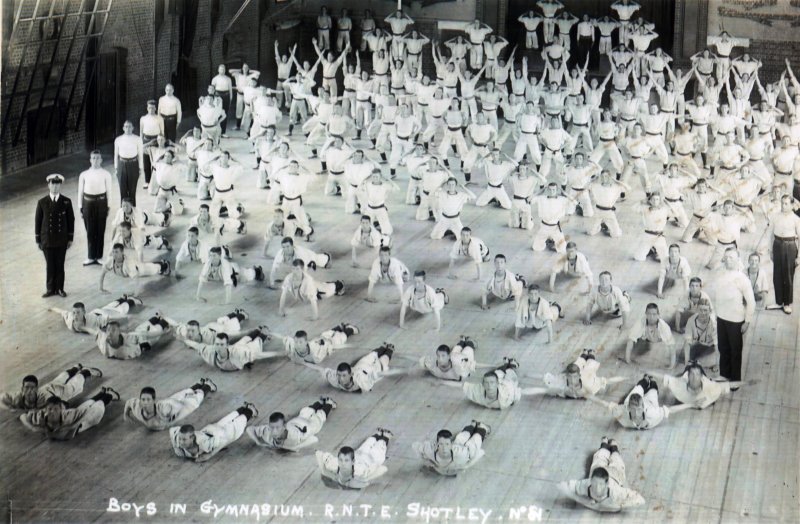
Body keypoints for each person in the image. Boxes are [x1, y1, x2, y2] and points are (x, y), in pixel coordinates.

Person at [558, 437, 645, 512]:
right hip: (599, 469)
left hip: (615, 475)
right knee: (599, 456)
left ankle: (614, 446)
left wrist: (618, 505)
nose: (597, 488)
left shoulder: (616, 491)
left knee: (616, 459)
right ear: (591, 481)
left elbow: (640, 500)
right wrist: (580, 499)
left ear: (607, 484)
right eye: (594, 484)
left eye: (600, 484)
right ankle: (604, 443)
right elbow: (563, 486)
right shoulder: (585, 485)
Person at [710, 247, 756, 381]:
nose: (728, 260)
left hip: (736, 321)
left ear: (738, 260)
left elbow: (751, 302)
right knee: (723, 348)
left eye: (731, 257)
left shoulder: (742, 279)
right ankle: (724, 375)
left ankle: (735, 379)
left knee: (735, 351)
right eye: (726, 257)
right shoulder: (719, 274)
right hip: (721, 318)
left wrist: (747, 322)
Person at [588, 374, 692, 429]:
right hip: (631, 400)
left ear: (642, 407)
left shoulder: (652, 412)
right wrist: (589, 396)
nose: (637, 412)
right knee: (638, 388)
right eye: (634, 410)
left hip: (650, 402)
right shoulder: (622, 410)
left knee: (653, 387)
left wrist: (690, 404)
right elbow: (604, 404)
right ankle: (645, 380)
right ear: (629, 408)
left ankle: (650, 381)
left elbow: (670, 410)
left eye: (639, 409)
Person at [19, 387, 121, 440]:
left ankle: (108, 395)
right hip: (77, 422)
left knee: (98, 406)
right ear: (45, 409)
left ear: (61, 410)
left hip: (85, 420)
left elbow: (64, 431)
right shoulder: (41, 418)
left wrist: (44, 430)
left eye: (56, 409)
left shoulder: (68, 417)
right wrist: (34, 427)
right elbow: (22, 416)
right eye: (49, 409)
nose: (52, 412)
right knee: (85, 406)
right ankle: (102, 394)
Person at [170, 403, 258, 462]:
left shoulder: (204, 445)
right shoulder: (178, 446)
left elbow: (223, 442)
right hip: (209, 429)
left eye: (184, 439)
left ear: (192, 438)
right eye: (180, 438)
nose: (181, 442)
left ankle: (250, 410)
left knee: (239, 424)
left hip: (221, 435)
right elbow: (172, 430)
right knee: (226, 419)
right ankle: (243, 407)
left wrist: (209, 455)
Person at [651, 362, 755, 410]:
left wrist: (747, 383)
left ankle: (699, 366)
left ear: (701, 376)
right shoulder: (679, 384)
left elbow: (729, 384)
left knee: (717, 384)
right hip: (684, 394)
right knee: (679, 376)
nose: (694, 377)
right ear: (688, 376)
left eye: (697, 374)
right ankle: (692, 365)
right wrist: (645, 371)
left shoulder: (711, 387)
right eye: (691, 374)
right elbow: (664, 377)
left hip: (707, 388)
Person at [527, 349, 626, 399]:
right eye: (569, 377)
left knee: (590, 364)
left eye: (574, 377)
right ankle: (584, 353)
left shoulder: (588, 382)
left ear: (578, 376)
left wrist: (624, 378)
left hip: (586, 374)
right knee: (578, 363)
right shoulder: (561, 381)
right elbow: (545, 377)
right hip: (574, 381)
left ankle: (590, 354)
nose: (571, 380)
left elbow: (607, 381)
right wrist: (527, 375)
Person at [247, 397, 337, 452]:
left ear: (283, 427)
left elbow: (314, 439)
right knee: (305, 412)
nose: (274, 431)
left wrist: (294, 448)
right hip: (295, 421)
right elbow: (249, 429)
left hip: (306, 428)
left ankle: (329, 403)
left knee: (319, 417)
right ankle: (320, 402)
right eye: (272, 427)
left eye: (277, 428)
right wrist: (258, 442)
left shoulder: (294, 438)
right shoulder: (267, 431)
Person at [36, 174, 75, 298]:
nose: (55, 186)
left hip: (61, 240)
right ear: (48, 185)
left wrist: (70, 238)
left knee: (60, 264)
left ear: (60, 185)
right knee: (50, 265)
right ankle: (50, 289)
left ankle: (59, 289)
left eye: (57, 184)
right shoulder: (42, 202)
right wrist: (38, 239)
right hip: (47, 240)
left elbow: (71, 220)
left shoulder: (66, 201)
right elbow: (38, 221)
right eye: (53, 183)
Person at [124, 379, 217, 431]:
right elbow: (129, 402)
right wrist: (126, 414)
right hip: (169, 409)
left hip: (176, 410)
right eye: (143, 399)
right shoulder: (137, 408)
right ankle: (198, 383)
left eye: (148, 400)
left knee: (194, 401)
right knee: (181, 394)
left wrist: (171, 409)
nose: (145, 402)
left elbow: (180, 406)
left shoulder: (163, 410)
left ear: (153, 400)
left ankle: (208, 385)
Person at [316, 428, 394, 489]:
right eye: (341, 460)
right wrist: (373, 468)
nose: (343, 464)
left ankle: (377, 435)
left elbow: (321, 454)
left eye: (346, 461)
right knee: (379, 447)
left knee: (367, 443)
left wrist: (324, 466)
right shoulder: (359, 472)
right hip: (371, 459)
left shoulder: (333, 465)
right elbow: (381, 468)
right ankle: (385, 438)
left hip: (359, 454)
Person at [306, 344, 401, 393]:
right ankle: (386, 349)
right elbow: (320, 369)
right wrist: (303, 362)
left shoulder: (362, 382)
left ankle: (388, 349)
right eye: (339, 375)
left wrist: (399, 371)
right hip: (361, 367)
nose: (341, 379)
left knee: (380, 360)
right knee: (375, 356)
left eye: (344, 375)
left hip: (367, 370)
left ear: (350, 374)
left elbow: (380, 374)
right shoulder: (334, 378)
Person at [1, 365, 103, 410]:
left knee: (74, 386)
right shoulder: (18, 396)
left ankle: (85, 371)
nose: (28, 391)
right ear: (22, 389)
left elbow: (63, 404)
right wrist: (11, 406)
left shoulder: (45, 398)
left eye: (32, 388)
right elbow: (2, 397)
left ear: (36, 389)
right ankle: (75, 368)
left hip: (59, 392)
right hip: (49, 386)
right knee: (60, 378)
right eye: (26, 388)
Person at [763, 194, 800, 314]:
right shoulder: (774, 217)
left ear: (792, 205)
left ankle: (787, 303)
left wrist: (799, 256)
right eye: (782, 203)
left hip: (790, 247)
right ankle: (779, 302)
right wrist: (770, 250)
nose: (784, 206)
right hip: (777, 245)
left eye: (786, 204)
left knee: (788, 276)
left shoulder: (796, 219)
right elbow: (770, 235)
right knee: (777, 275)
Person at [412, 420, 491, 476]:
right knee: (460, 438)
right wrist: (427, 461)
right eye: (441, 444)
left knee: (468, 439)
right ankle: (472, 425)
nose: (444, 448)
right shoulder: (430, 450)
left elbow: (473, 451)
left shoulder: (461, 454)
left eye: (447, 444)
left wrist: (466, 466)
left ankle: (481, 427)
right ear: (437, 445)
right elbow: (415, 446)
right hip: (443, 468)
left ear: (451, 445)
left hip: (460, 458)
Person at [182, 328, 278, 371]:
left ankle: (263, 332)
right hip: (236, 354)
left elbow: (259, 355)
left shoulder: (238, 352)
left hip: (241, 354)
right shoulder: (210, 351)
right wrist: (184, 339)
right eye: (217, 344)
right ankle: (257, 330)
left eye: (222, 344)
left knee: (256, 342)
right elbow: (196, 345)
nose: (219, 347)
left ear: (227, 345)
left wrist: (281, 353)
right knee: (242, 341)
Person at [77, 150, 113, 266]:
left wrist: (109, 206)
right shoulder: (84, 174)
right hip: (88, 203)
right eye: (93, 158)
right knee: (90, 230)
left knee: (100, 230)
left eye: (98, 158)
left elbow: (109, 191)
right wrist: (80, 206)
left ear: (101, 160)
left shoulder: (106, 174)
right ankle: (91, 256)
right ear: (90, 160)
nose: (96, 160)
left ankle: (99, 256)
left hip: (101, 203)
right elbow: (80, 192)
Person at [279, 259, 344, 320]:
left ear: (302, 270)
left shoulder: (308, 280)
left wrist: (315, 316)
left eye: (297, 269)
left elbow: (313, 300)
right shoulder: (289, 277)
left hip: (319, 292)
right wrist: (281, 310)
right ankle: (325, 284)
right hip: (309, 290)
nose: (295, 271)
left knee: (331, 290)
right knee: (320, 285)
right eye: (293, 269)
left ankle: (339, 283)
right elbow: (283, 294)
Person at [99, 243, 170, 295]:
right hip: (135, 267)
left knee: (155, 269)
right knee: (150, 265)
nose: (114, 254)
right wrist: (101, 288)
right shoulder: (110, 260)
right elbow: (102, 274)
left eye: (117, 252)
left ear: (122, 252)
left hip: (140, 270)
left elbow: (136, 279)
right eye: (113, 252)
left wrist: (135, 294)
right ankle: (161, 263)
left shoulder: (129, 264)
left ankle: (165, 264)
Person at [48, 295, 142, 334]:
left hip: (99, 314)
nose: (76, 315)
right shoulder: (70, 318)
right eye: (74, 313)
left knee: (116, 308)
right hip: (101, 319)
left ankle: (126, 299)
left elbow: (61, 311)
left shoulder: (71, 316)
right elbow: (90, 330)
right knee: (117, 308)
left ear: (84, 312)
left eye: (78, 312)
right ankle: (129, 300)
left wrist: (52, 308)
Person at [271, 323, 359, 365]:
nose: (298, 344)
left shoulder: (315, 355)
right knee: (327, 333)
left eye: (300, 342)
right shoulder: (293, 345)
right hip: (321, 339)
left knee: (341, 337)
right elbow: (284, 337)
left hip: (329, 343)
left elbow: (322, 354)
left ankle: (350, 329)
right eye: (296, 341)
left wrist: (343, 346)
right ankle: (339, 327)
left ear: (306, 342)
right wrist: (269, 333)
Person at [624, 303, 675, 367]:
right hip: (645, 338)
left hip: (659, 339)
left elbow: (672, 346)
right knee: (634, 339)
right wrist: (628, 360)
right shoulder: (640, 322)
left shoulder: (664, 326)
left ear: (658, 315)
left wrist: (671, 366)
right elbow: (630, 339)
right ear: (646, 314)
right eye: (649, 314)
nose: (651, 317)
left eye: (654, 314)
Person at [114, 121, 145, 205]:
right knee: (122, 190)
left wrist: (140, 168)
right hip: (122, 164)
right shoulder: (118, 140)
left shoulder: (137, 139)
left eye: (129, 126)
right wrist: (116, 168)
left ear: (133, 128)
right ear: (123, 128)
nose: (128, 128)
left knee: (132, 190)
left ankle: (133, 211)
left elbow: (140, 155)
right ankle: (123, 212)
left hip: (133, 164)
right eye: (126, 126)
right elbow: (116, 155)